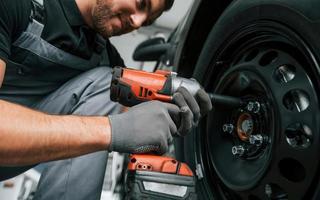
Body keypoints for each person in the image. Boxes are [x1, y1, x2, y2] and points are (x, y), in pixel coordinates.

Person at [0, 0, 212, 199]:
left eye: (146, 21)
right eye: (141, 4)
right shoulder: (16, 6)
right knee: (108, 82)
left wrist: (172, 106)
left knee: (113, 80)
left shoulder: (105, 57)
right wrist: (111, 130)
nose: (137, 23)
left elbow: (143, 121)